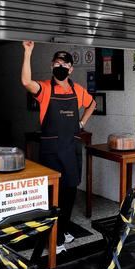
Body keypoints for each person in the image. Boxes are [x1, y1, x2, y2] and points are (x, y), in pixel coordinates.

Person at [21, 41, 97, 253]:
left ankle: (62, 231)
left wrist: (81, 123)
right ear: (52, 67)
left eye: (64, 65)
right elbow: (26, 81)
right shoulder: (45, 89)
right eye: (56, 64)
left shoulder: (78, 90)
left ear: (71, 69)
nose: (60, 67)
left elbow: (93, 104)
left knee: (70, 191)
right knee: (52, 194)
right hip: (52, 151)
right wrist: (28, 53)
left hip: (71, 149)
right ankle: (52, 238)